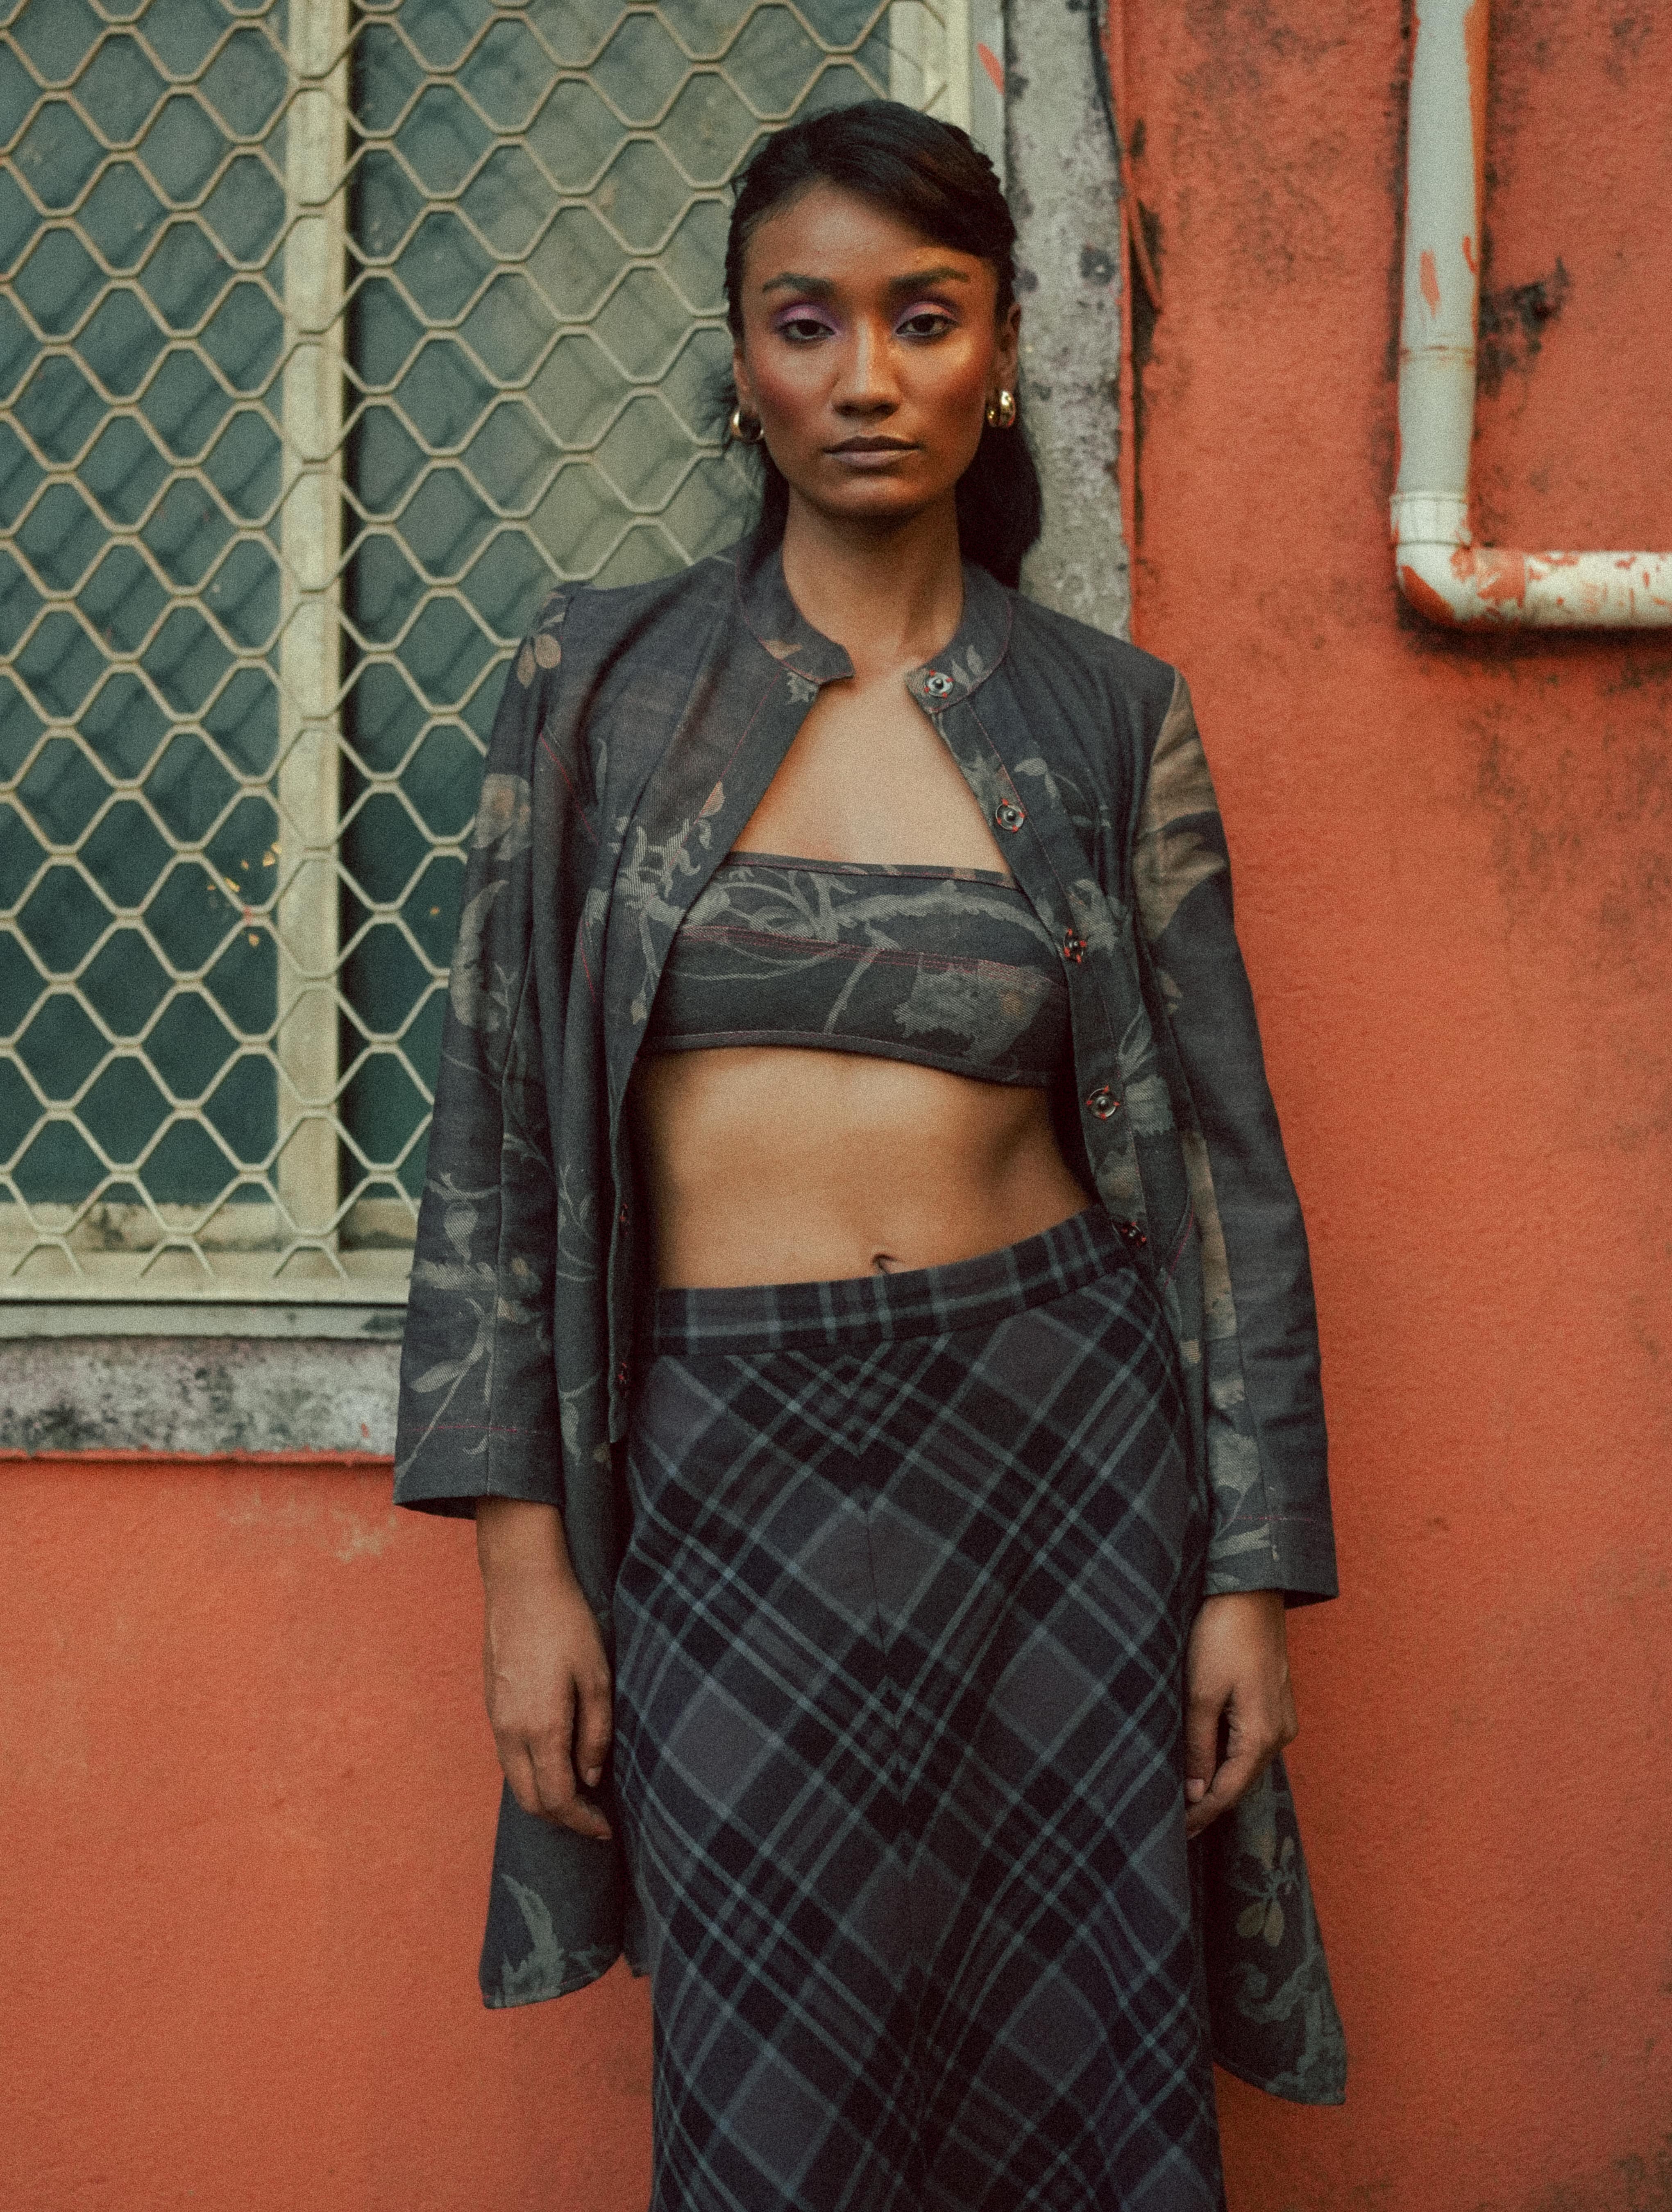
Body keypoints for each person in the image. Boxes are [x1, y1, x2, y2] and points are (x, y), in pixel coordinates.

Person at [395, 100, 1343, 2212]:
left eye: (923, 319)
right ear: (738, 361)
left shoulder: (1107, 718)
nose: (865, 375)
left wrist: (1251, 1576)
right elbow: (496, 1140)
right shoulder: (597, 688)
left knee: (1078, 2063)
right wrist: (521, 1563)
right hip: (724, 1471)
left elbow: (1217, 1174)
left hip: (1061, 1459)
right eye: (804, 323)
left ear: (997, 345)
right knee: (771, 2077)